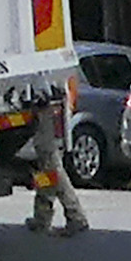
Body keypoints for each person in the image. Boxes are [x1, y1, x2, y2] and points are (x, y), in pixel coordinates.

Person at [26, 91, 87, 237]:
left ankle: (75, 215)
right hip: (46, 103)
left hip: (44, 104)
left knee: (51, 165)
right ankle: (42, 215)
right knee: (45, 167)